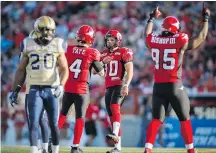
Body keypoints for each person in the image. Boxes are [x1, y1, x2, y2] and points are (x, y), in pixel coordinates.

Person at [143, 3, 210, 153]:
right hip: (174, 85)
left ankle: (148, 149)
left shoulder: (153, 39)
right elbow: (201, 37)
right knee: (184, 118)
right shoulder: (180, 39)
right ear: (175, 29)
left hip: (158, 86)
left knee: (156, 120)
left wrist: (151, 19)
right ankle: (191, 150)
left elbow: (146, 36)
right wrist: (205, 19)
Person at [9, 16, 69, 153]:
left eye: (50, 30)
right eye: (44, 30)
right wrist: (15, 90)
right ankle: (34, 150)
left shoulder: (58, 44)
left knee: (53, 124)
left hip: (52, 89)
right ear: (37, 30)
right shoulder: (28, 43)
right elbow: (21, 70)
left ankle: (54, 151)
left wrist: (61, 85)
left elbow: (65, 68)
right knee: (33, 122)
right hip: (34, 89)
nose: (47, 34)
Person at [57, 25, 104, 153]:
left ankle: (52, 142)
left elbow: (61, 67)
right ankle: (75, 147)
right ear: (90, 38)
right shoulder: (93, 52)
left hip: (67, 88)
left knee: (62, 115)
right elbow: (101, 73)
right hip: (82, 90)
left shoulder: (69, 49)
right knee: (80, 118)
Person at [100, 30, 134, 153]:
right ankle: (117, 148)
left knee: (115, 107)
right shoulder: (103, 54)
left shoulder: (124, 51)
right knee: (111, 117)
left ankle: (114, 133)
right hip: (108, 86)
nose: (109, 42)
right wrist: (101, 63)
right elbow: (96, 71)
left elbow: (130, 70)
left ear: (118, 41)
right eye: (108, 40)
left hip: (119, 84)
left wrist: (126, 84)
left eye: (112, 40)